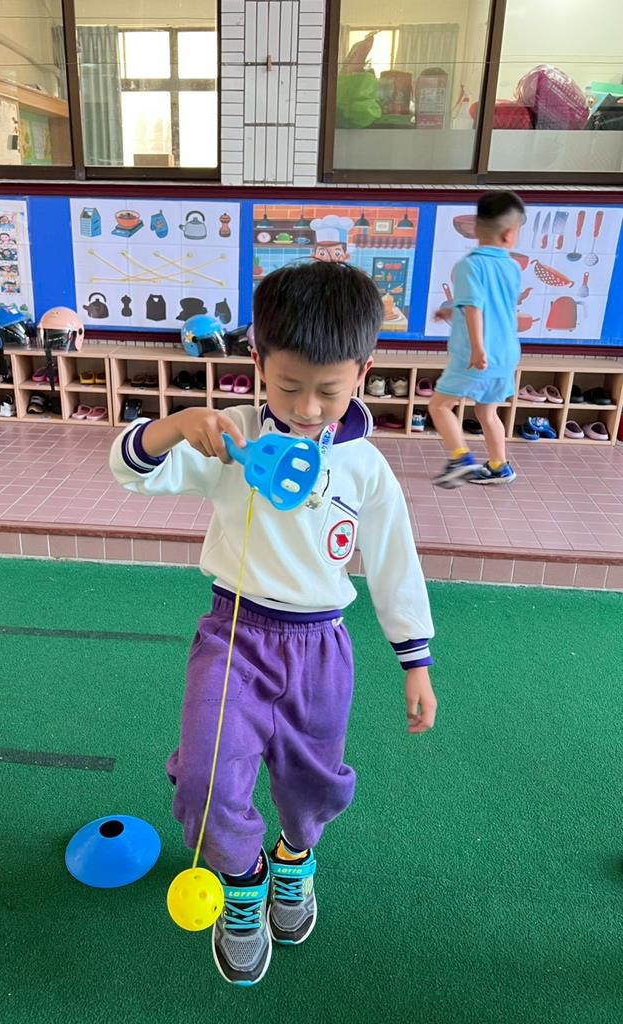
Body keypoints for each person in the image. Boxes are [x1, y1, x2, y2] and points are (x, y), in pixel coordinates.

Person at [109, 261, 437, 987]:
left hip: (321, 647)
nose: (308, 407)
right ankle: (243, 879)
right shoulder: (228, 438)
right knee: (204, 779)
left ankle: (294, 858)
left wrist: (415, 661)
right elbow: (132, 470)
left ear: (364, 371)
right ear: (257, 360)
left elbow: (395, 563)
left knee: (312, 784)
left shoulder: (365, 468)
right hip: (233, 636)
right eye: (288, 386)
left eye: (329, 389)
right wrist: (176, 426)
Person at [429, 191, 525, 487]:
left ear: (474, 228)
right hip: (506, 353)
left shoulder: (469, 265)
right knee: (487, 411)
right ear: (509, 235)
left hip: (477, 354)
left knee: (439, 406)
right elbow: (492, 307)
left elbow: (475, 307)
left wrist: (478, 348)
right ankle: (499, 466)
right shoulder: (512, 267)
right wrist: (450, 312)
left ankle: (460, 459)